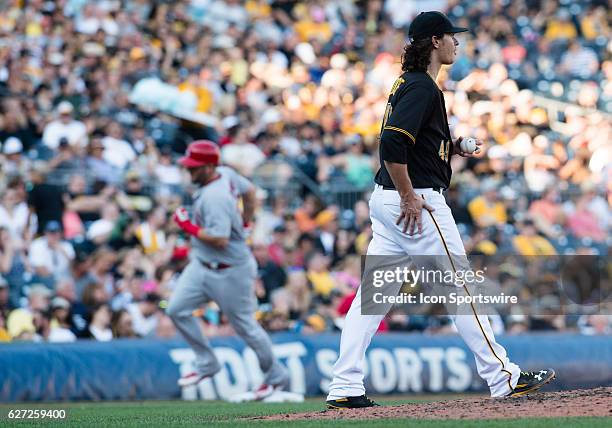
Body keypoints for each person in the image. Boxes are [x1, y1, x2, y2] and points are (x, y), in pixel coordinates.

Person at [325, 12, 555, 410]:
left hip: (387, 203)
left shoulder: (412, 83)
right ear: (434, 41)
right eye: (451, 36)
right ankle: (504, 376)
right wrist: (411, 196)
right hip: (415, 203)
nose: (456, 43)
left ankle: (344, 385)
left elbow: (415, 141)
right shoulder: (422, 88)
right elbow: (392, 146)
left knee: (372, 299)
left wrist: (455, 145)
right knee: (461, 287)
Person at [167, 140, 289, 399]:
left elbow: (219, 238)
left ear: (210, 167)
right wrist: (247, 220)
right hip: (201, 266)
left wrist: (185, 225)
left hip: (231, 270)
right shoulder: (225, 174)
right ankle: (206, 361)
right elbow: (251, 191)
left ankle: (275, 375)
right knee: (176, 309)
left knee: (245, 326)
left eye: (195, 167)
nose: (190, 171)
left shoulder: (216, 197)